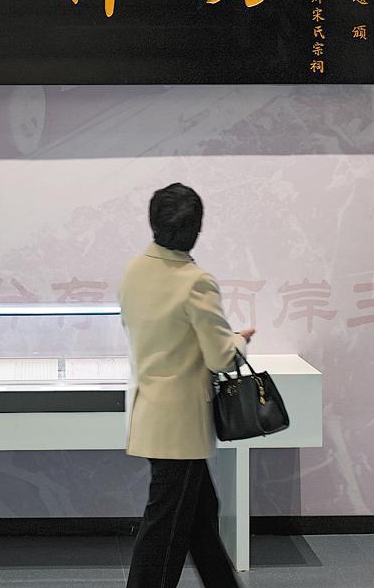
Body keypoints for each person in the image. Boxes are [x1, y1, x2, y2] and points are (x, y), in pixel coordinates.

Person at [119, 183, 255, 588]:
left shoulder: (133, 272)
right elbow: (221, 358)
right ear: (197, 228)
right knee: (164, 532)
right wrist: (240, 341)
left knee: (198, 516)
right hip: (181, 426)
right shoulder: (196, 282)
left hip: (150, 414)